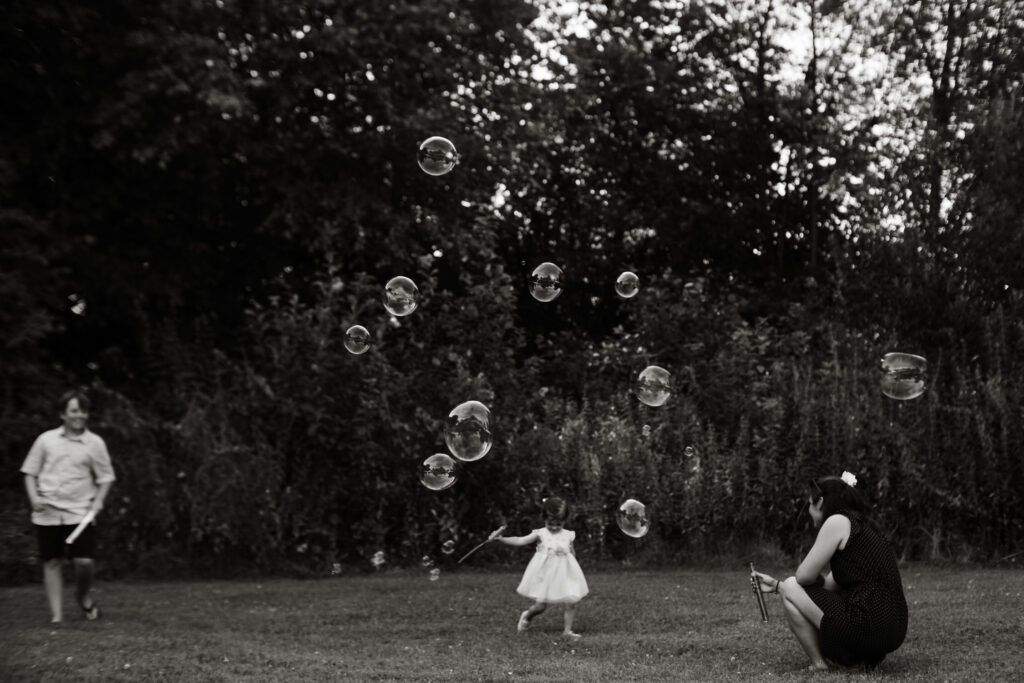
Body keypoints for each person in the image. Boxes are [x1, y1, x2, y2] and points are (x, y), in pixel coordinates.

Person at [752, 471, 908, 671]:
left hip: (869, 622)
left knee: (791, 584)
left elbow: (803, 577)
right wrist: (775, 586)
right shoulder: (862, 528)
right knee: (787, 588)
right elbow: (827, 586)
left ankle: (819, 664)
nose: (809, 510)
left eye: (809, 504)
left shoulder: (837, 521)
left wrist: (783, 587)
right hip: (892, 628)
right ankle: (861, 659)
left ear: (820, 502)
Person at [21, 390, 116, 623]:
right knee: (52, 561)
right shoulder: (46, 440)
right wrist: (35, 500)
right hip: (48, 512)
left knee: (84, 562)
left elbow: (106, 477)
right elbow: (29, 473)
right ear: (62, 414)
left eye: (83, 411)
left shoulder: (95, 443)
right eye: (74, 411)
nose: (80, 415)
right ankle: (57, 616)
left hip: (80, 511)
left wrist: (99, 499)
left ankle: (82, 596)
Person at [490, 497, 589, 641]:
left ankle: (567, 631)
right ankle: (527, 615)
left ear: (564, 520)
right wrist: (501, 539)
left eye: (558, 523)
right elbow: (520, 540)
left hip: (565, 573)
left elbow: (572, 553)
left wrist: (574, 570)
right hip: (546, 574)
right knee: (541, 606)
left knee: (572, 601)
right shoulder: (540, 534)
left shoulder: (568, 535)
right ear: (544, 519)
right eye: (550, 523)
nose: (554, 527)